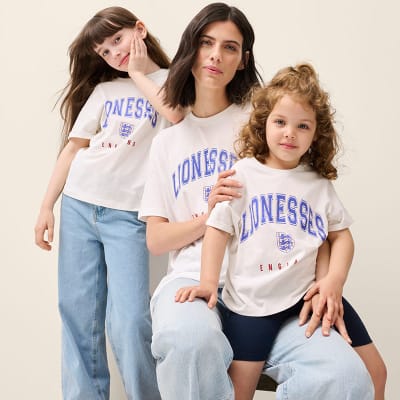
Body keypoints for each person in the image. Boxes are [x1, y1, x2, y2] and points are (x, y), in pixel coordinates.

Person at [139, 3, 377, 399]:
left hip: (276, 286)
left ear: (242, 59)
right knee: (190, 341)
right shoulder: (168, 142)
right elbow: (156, 240)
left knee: (348, 377)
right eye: (205, 43)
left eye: (229, 47)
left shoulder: (269, 121)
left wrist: (326, 281)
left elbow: (315, 216)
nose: (216, 55)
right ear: (190, 50)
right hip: (195, 279)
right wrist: (211, 213)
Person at [175, 62, 386, 400]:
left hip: (305, 299)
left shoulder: (318, 184)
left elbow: (340, 235)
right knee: (240, 391)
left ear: (316, 134)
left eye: (303, 126)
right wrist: (207, 282)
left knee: (376, 372)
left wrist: (333, 280)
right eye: (280, 122)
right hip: (252, 306)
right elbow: (217, 228)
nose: (290, 133)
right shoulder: (242, 174)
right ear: (263, 124)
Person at [34, 6, 183, 400]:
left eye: (117, 40)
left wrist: (136, 72)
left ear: (140, 29)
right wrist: (47, 206)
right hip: (80, 205)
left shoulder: (173, 80)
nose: (113, 53)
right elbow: (73, 149)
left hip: (129, 216)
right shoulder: (104, 91)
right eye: (104, 51)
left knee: (131, 321)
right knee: (77, 315)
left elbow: (176, 114)